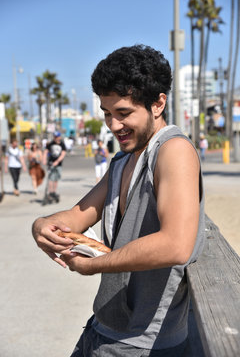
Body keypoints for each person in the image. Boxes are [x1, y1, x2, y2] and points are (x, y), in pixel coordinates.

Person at [32, 45, 205, 357]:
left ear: (158, 103)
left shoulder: (173, 151)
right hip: (103, 327)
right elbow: (77, 214)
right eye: (107, 113)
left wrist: (94, 266)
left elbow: (176, 244)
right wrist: (42, 226)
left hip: (144, 344)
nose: (113, 126)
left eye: (124, 113)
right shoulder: (123, 160)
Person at [43, 131, 66, 200]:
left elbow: (63, 154)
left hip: (58, 164)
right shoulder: (50, 143)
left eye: (57, 136)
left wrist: (57, 161)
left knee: (56, 178)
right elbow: (46, 151)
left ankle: (54, 192)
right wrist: (44, 159)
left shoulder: (62, 144)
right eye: (55, 137)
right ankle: (50, 192)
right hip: (51, 163)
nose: (55, 138)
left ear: (59, 137)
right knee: (50, 178)